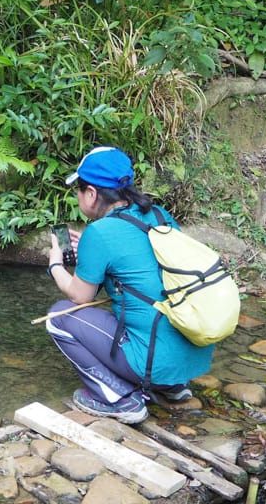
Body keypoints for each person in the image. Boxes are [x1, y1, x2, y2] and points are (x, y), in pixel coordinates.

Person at [45, 146, 214, 423]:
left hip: (151, 362)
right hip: (193, 353)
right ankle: (172, 388)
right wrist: (89, 252)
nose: (77, 196)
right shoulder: (160, 215)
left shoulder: (99, 233)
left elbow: (80, 296)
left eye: (79, 190)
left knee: (57, 317)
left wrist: (55, 265)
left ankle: (119, 399)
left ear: (91, 194)